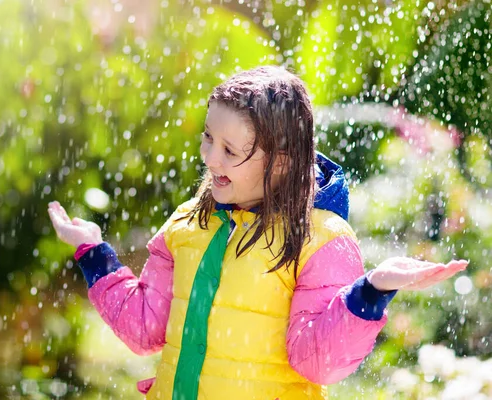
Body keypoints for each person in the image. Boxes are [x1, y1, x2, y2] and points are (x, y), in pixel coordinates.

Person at [47, 66, 468, 400]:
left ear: (282, 162)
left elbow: (319, 361)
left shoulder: (319, 240)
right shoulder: (188, 223)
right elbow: (144, 329)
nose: (211, 159)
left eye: (231, 150)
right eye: (208, 139)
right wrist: (95, 254)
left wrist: (370, 292)